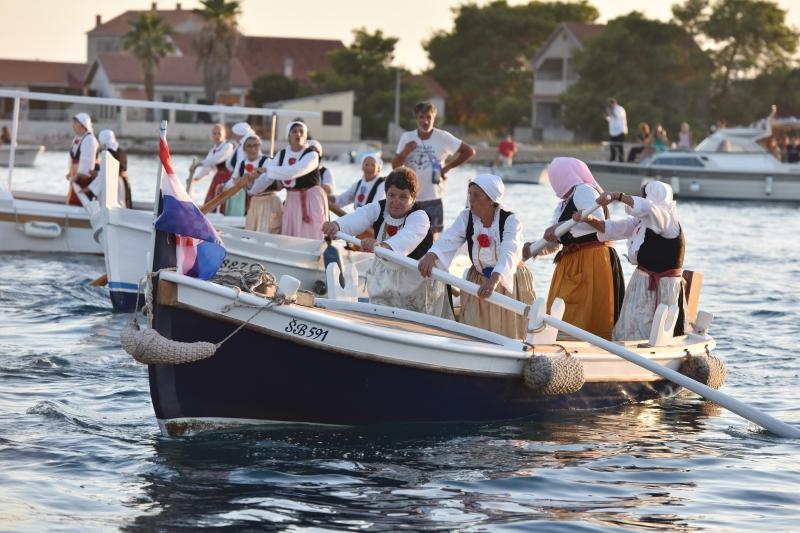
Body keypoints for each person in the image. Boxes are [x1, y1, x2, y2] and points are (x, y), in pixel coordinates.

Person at [321, 167, 451, 318]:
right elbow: (360, 216)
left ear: (413, 198)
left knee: (414, 319)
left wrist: (382, 246)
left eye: (403, 197)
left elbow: (408, 237)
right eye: (391, 195)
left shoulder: (420, 217)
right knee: (381, 313)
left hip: (417, 281)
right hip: (386, 276)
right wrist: (337, 226)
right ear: (386, 194)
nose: (396, 201)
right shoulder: (379, 208)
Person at [418, 174, 535, 339]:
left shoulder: (510, 221)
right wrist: (432, 255)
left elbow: (510, 251)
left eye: (476, 195)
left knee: (507, 332)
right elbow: (449, 238)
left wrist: (494, 279)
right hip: (478, 280)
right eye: (470, 194)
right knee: (475, 330)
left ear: (491, 199)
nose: (471, 199)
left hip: (507, 281)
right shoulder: (466, 217)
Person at [522, 157, 625, 340]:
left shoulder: (584, 190)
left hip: (591, 260)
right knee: (563, 311)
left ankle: (583, 347)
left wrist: (561, 225)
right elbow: (560, 240)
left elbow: (599, 223)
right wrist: (536, 248)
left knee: (581, 313)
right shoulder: (564, 202)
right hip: (572, 262)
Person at [578, 182, 686, 341]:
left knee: (651, 329)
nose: (642, 198)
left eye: (645, 196)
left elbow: (648, 208)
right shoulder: (641, 222)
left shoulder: (668, 221)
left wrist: (617, 196)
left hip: (662, 288)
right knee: (630, 325)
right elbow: (612, 228)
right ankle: (624, 350)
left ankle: (645, 352)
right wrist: (587, 218)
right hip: (640, 283)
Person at [392, 101, 476, 236]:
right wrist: (404, 152)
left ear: (434, 118)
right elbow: (395, 167)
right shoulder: (407, 137)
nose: (425, 121)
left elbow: (469, 151)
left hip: (433, 196)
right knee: (407, 235)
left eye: (429, 117)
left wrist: (447, 168)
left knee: (432, 236)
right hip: (409, 197)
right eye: (421, 117)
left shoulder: (443, 137)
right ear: (416, 118)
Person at [248, 120, 327, 239]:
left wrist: (266, 170)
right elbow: (266, 178)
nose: (298, 134)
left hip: (311, 199)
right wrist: (252, 188)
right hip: (291, 199)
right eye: (294, 131)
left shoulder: (312, 155)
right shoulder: (282, 155)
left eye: (301, 132)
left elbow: (295, 170)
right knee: (291, 233)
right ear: (288, 136)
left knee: (310, 233)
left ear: (305, 136)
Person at [234, 134, 282, 233]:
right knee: (252, 231)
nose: (253, 149)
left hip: (269, 201)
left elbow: (264, 182)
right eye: (249, 146)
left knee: (268, 231)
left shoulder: (268, 161)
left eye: (256, 145)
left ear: (260, 147)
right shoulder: (242, 164)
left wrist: (251, 182)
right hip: (254, 202)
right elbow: (236, 183)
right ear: (244, 149)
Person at [191, 123, 235, 205]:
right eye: (215, 133)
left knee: (223, 202)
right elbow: (207, 168)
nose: (217, 136)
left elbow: (217, 159)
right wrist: (195, 179)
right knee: (210, 202)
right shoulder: (213, 150)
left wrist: (199, 164)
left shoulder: (228, 146)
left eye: (219, 133)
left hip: (228, 178)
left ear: (224, 135)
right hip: (218, 178)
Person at [65, 112, 99, 206]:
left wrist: (78, 175)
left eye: (76, 123)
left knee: (80, 203)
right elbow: (73, 157)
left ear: (83, 125)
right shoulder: (77, 138)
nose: (73, 125)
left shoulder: (89, 139)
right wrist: (70, 172)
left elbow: (87, 161)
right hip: (76, 177)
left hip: (83, 179)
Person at [96, 129, 132, 208]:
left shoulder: (107, 153)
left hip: (114, 183)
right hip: (123, 182)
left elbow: (105, 173)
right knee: (122, 204)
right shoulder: (121, 151)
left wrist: (90, 188)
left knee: (116, 205)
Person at [604, 98, 628, 162]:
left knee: (619, 146)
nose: (609, 106)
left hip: (621, 132)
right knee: (612, 147)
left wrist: (610, 111)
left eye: (610, 105)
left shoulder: (620, 109)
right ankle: (612, 159)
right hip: (613, 132)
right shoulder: (611, 110)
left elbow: (616, 116)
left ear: (614, 103)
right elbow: (609, 118)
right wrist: (606, 114)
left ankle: (621, 160)